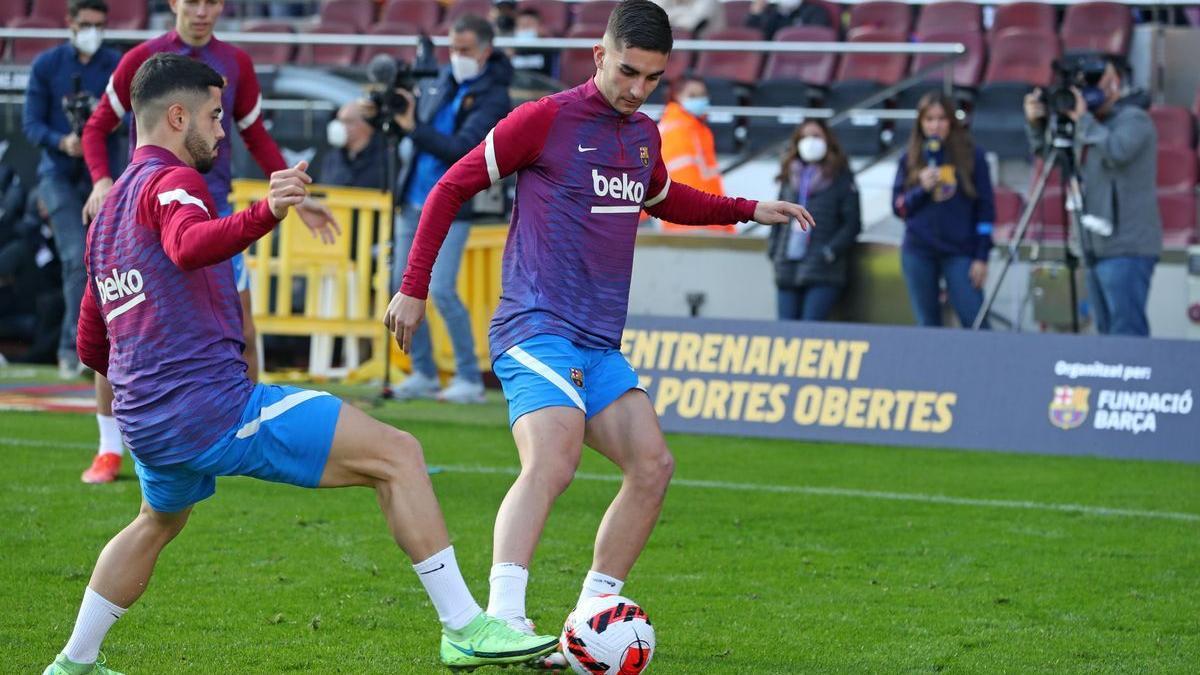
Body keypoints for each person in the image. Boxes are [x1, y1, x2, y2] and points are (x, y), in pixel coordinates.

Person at [41, 53, 557, 675]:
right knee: (398, 455)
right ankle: (465, 628)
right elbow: (187, 245)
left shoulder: (107, 213)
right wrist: (267, 211)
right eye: (212, 116)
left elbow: (93, 339)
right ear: (177, 117)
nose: (222, 129)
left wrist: (142, 384)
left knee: (156, 520)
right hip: (209, 411)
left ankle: (74, 661)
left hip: (147, 423)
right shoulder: (172, 183)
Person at [383, 1, 813, 667]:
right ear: (598, 56)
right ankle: (499, 617)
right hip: (535, 325)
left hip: (598, 341)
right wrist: (414, 284)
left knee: (653, 465)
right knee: (554, 458)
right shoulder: (545, 120)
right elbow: (448, 186)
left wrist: (748, 208)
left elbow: (665, 198)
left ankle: (589, 621)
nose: (637, 88)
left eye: (652, 78)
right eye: (628, 71)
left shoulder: (642, 135)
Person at [78, 0, 339, 484]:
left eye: (212, 0)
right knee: (123, 325)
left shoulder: (235, 62)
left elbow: (254, 135)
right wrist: (100, 182)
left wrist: (296, 198)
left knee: (241, 329)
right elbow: (96, 128)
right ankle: (108, 446)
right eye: (192, 0)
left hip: (211, 214)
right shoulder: (143, 61)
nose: (202, 10)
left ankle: (241, 433)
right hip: (149, 214)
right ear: (173, 3)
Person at [388, 14, 512, 404]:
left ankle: (469, 377)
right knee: (400, 287)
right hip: (412, 199)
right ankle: (423, 372)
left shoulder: (494, 96)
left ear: (485, 51)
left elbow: (463, 150)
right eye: (453, 49)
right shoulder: (443, 81)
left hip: (453, 205)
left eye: (465, 51)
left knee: (441, 290)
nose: (456, 57)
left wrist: (412, 128)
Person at [1023, 56, 1161, 336]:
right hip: (1092, 246)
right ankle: (1110, 381)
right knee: (1105, 331)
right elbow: (1053, 157)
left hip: (1127, 246)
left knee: (1126, 329)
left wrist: (1083, 118)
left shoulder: (1134, 119)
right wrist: (1037, 125)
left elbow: (1117, 151)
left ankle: (1132, 381)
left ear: (1115, 84)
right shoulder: (1085, 127)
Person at [22, 0, 121, 380]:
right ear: (70, 23)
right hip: (58, 174)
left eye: (100, 24)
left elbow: (131, 116)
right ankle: (71, 350)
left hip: (104, 175)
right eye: (86, 24)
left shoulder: (114, 63)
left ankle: (99, 350)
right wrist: (63, 142)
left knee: (107, 263)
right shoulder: (47, 65)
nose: (93, 30)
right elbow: (31, 125)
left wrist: (104, 124)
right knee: (75, 257)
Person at [892, 92, 995, 328]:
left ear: (951, 122)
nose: (935, 125)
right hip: (919, 251)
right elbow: (898, 208)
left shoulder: (973, 156)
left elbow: (986, 210)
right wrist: (921, 189)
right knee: (927, 324)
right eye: (929, 119)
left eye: (941, 118)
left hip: (960, 251)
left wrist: (981, 256)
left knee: (975, 321)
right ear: (920, 123)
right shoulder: (909, 158)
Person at [768, 119, 861, 320]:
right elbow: (777, 218)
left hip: (823, 270)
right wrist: (774, 251)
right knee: (786, 334)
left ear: (828, 140)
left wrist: (829, 252)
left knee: (811, 331)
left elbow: (852, 224)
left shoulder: (842, 178)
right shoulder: (789, 177)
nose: (810, 141)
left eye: (816, 136)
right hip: (788, 266)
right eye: (805, 137)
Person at [656, 74, 731, 232]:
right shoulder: (677, 129)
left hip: (703, 218)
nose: (700, 99)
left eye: (703, 95)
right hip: (692, 223)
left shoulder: (695, 128)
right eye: (693, 95)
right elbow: (684, 179)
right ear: (677, 96)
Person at [318, 100, 387, 189]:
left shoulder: (384, 159)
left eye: (346, 121)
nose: (339, 126)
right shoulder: (332, 158)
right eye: (339, 120)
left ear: (366, 125)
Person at [508, 7, 558, 79]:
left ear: (540, 28)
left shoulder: (549, 48)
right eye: (522, 26)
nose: (525, 29)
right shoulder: (509, 49)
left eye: (529, 25)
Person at [745, 0, 833, 40]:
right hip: (773, 64)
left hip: (802, 60)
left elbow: (816, 38)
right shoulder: (770, 11)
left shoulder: (816, 11)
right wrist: (755, 14)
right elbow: (752, 39)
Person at [653, 0, 724, 35]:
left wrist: (674, 13)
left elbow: (691, 24)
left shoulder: (708, 2)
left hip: (708, 51)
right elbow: (653, 16)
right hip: (682, 50)